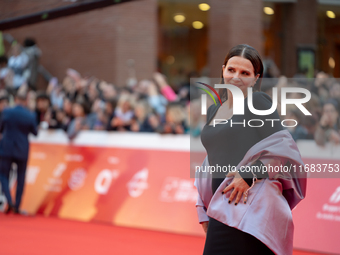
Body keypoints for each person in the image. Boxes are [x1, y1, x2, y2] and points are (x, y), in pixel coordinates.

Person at [195, 44, 306, 255]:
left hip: (249, 202)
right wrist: (203, 204)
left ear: (256, 78)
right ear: (223, 70)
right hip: (221, 202)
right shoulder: (214, 109)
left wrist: (247, 174)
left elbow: (284, 148)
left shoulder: (258, 102)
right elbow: (212, 158)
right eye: (231, 70)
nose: (236, 77)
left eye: (245, 73)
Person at [0, 92, 38, 214]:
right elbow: (35, 132)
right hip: (22, 149)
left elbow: (1, 128)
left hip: (6, 148)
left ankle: (9, 200)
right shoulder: (29, 115)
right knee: (21, 177)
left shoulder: (7, 112)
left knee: (3, 175)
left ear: (15, 99)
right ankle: (17, 205)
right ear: (26, 101)